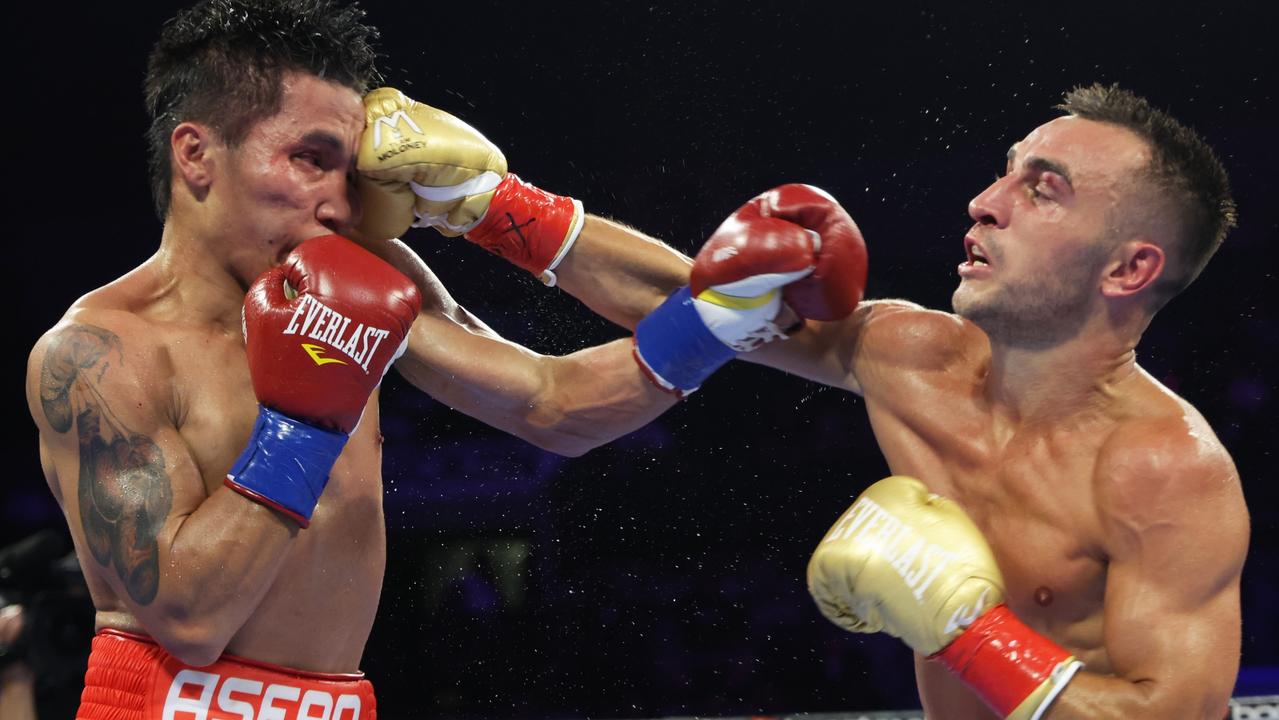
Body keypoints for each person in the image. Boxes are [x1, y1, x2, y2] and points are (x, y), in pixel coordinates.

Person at [23, 0, 835, 716]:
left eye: (348, 166)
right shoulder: (99, 353)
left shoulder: (367, 278)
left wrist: (723, 315)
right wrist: (305, 422)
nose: (341, 202)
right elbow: (190, 619)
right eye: (308, 157)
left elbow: (553, 404)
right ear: (196, 154)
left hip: (338, 701)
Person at [626, 84, 1247, 718]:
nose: (983, 204)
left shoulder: (1164, 468)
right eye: (1004, 174)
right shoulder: (917, 359)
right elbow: (711, 303)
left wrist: (969, 635)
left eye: (1041, 190)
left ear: (1127, 271)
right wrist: (523, 212)